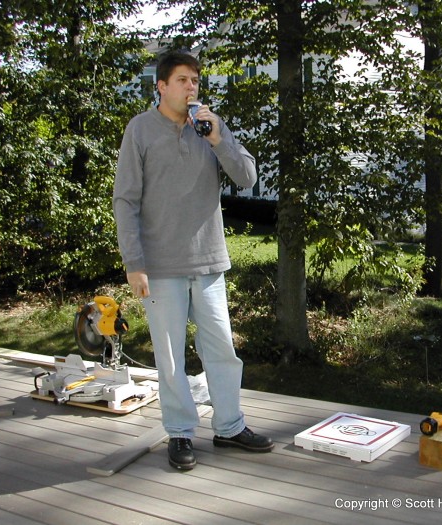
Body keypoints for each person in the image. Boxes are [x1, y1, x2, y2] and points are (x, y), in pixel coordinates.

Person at [113, 50, 273, 470]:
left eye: (195, 81)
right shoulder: (140, 130)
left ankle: (230, 427)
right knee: (170, 357)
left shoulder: (211, 128)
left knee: (221, 348)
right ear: (161, 86)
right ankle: (181, 433)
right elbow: (126, 199)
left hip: (209, 262)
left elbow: (247, 177)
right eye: (182, 80)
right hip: (161, 264)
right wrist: (135, 262)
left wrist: (219, 139)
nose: (191, 87)